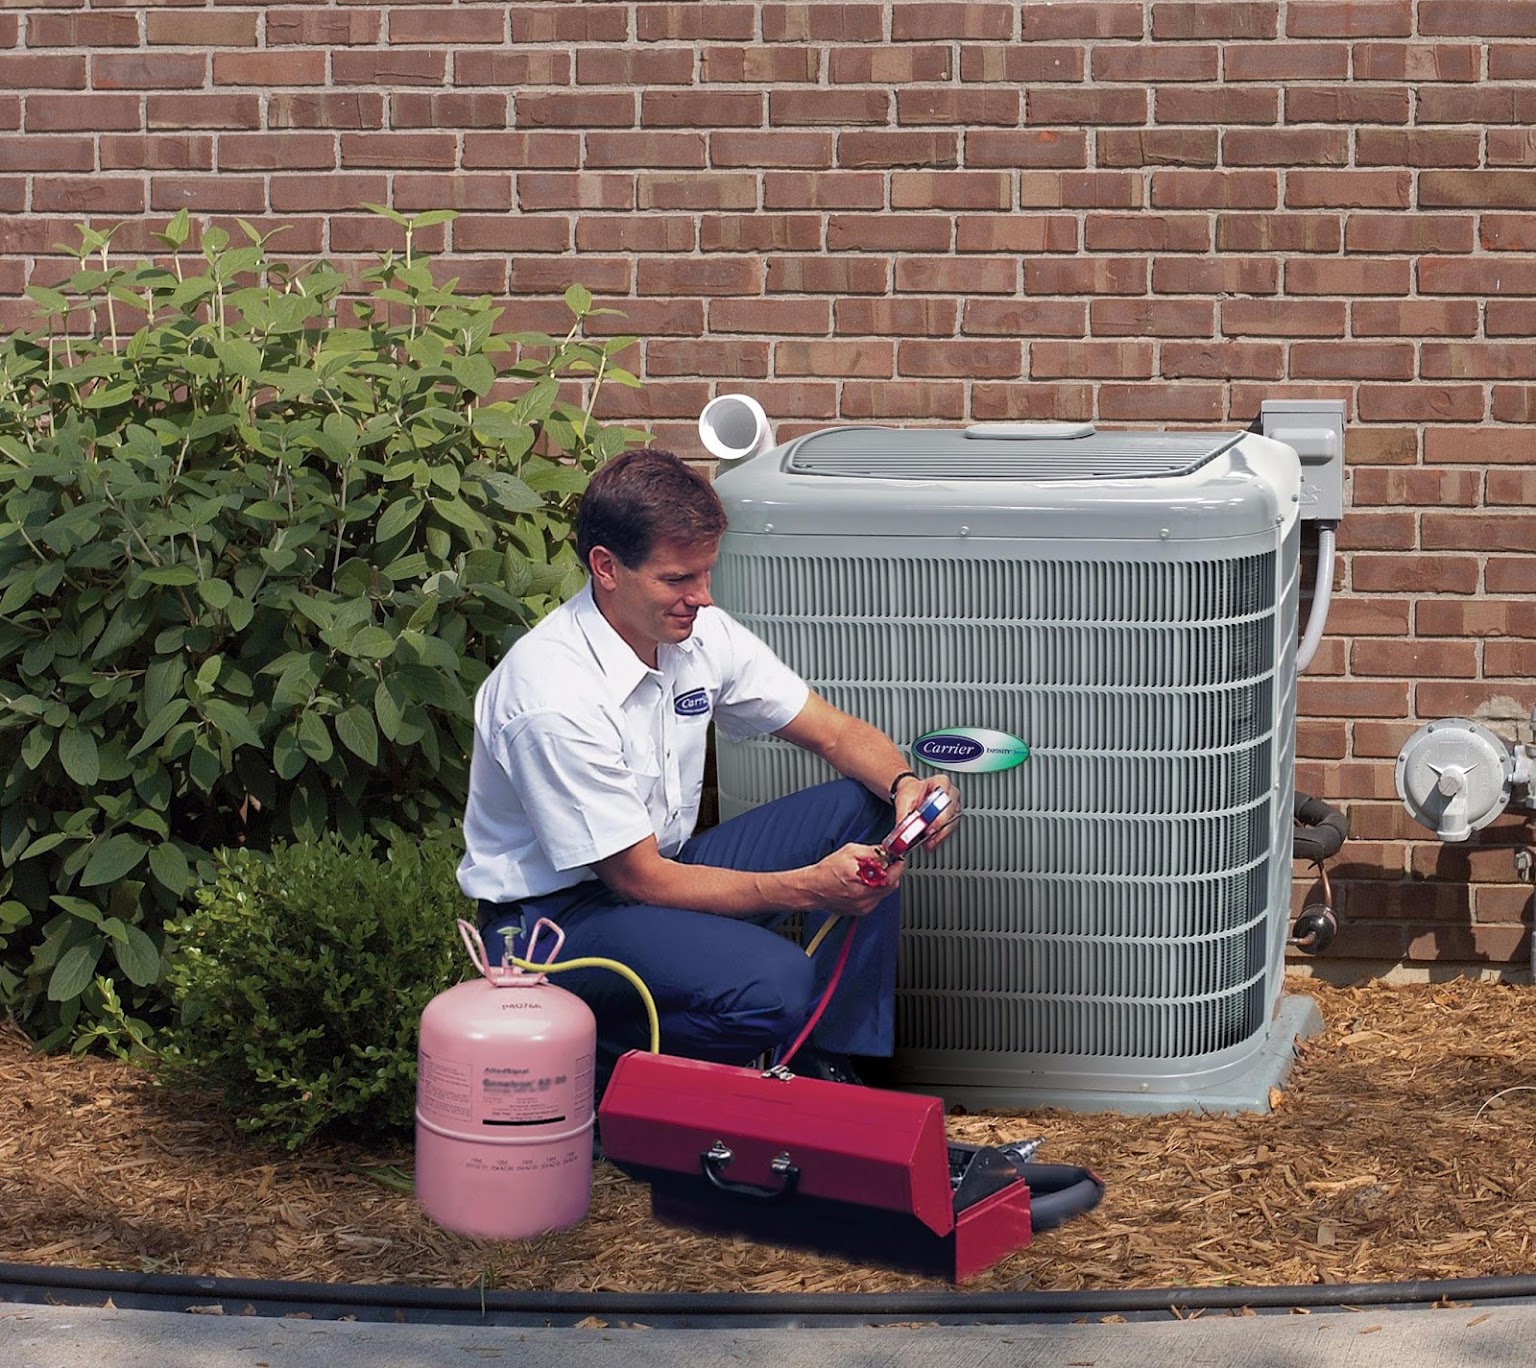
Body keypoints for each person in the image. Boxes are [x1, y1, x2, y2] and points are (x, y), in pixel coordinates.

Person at [457, 447, 959, 1090]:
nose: (702, 596)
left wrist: (906, 786)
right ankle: (608, 1070)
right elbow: (639, 879)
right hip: (555, 925)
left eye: (704, 573)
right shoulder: (553, 698)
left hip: (658, 873)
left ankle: (823, 1061)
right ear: (605, 568)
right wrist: (809, 886)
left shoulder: (696, 634)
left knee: (864, 808)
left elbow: (834, 732)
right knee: (778, 983)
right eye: (677, 579)